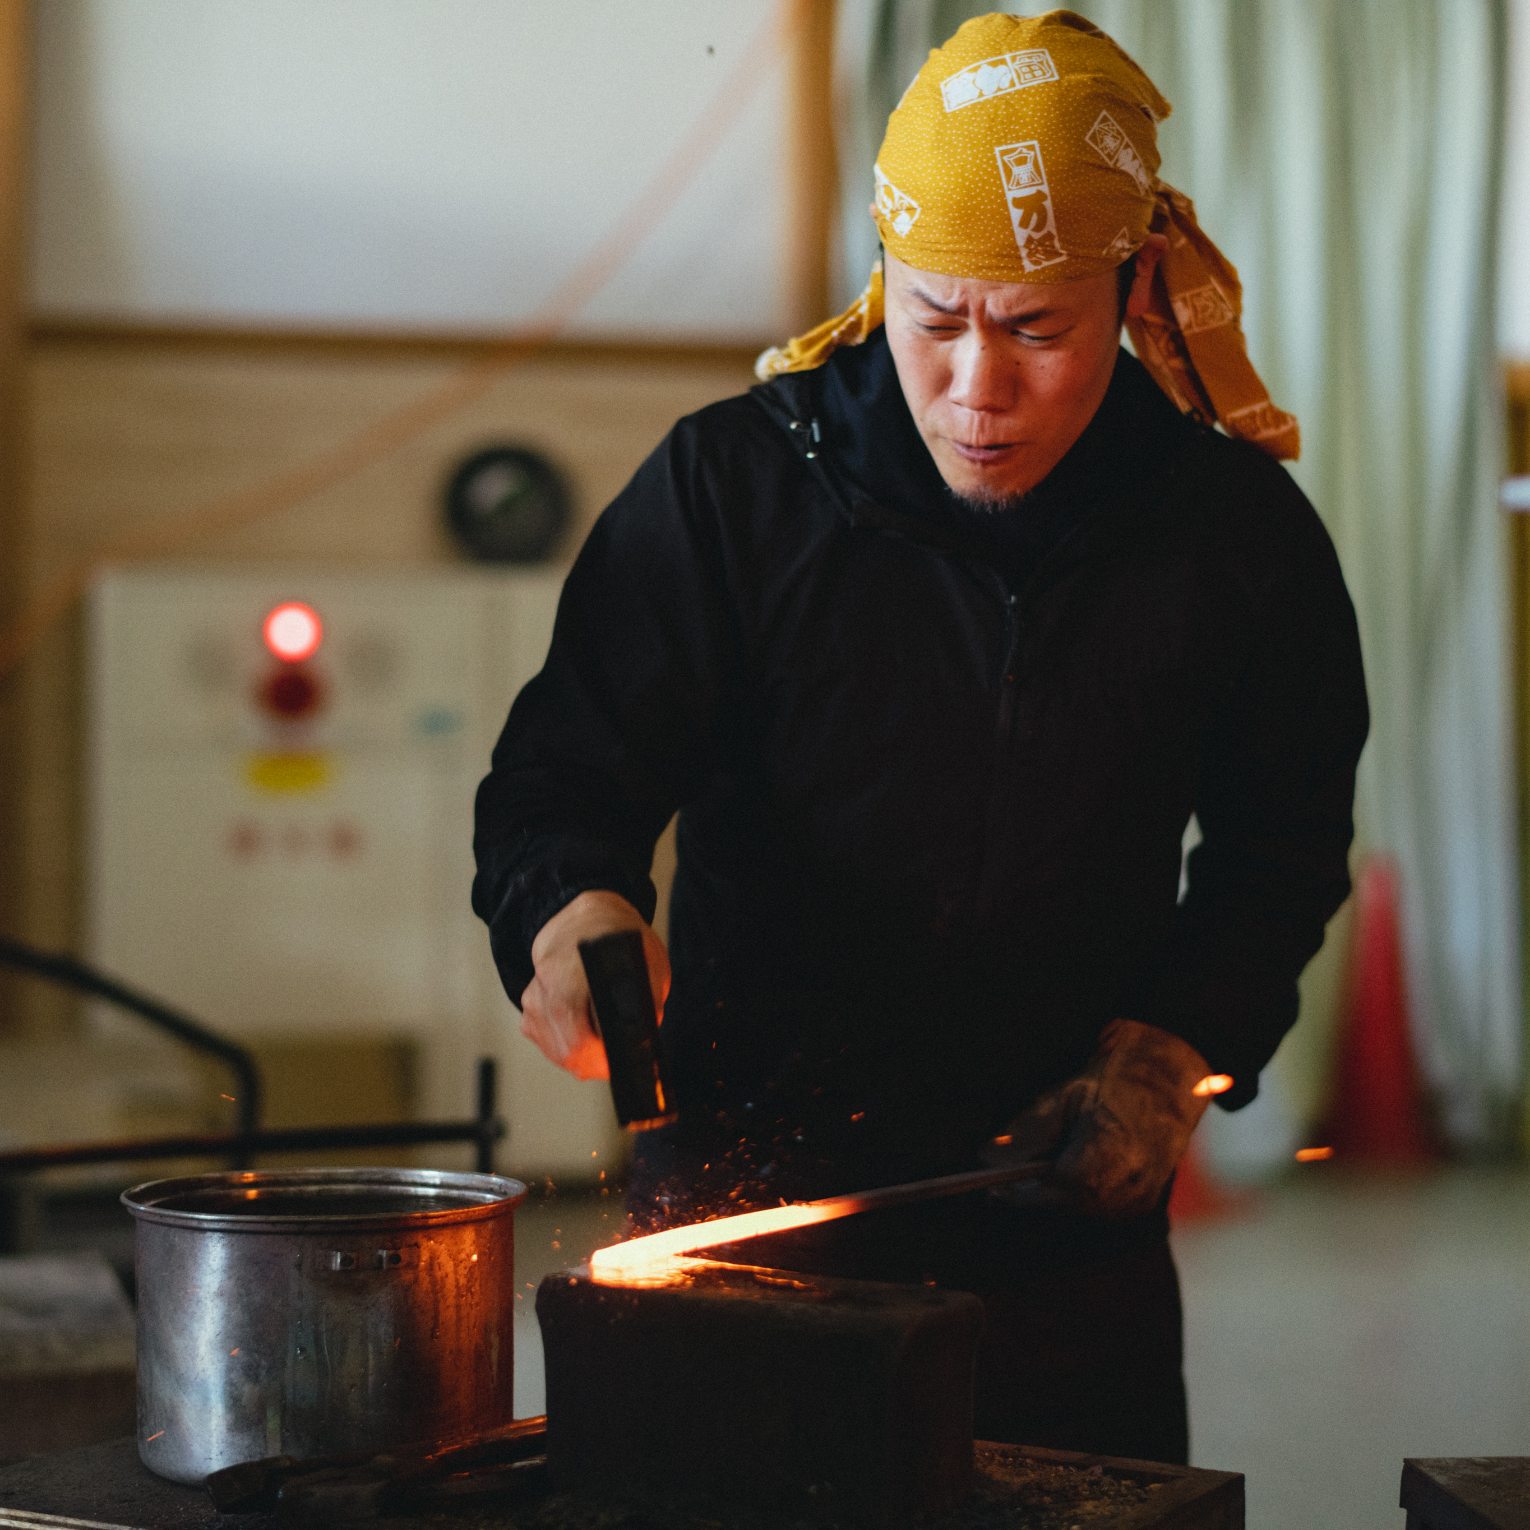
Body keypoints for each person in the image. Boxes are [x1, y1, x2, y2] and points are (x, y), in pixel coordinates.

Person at [474, 11, 1367, 1463]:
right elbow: (562, 769)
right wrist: (569, 903)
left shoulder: (1235, 541)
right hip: (744, 1205)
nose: (974, 388)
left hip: (1060, 1211)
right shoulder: (733, 489)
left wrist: (1170, 1053)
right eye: (932, 317)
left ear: (1132, 283)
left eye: (1033, 328)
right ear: (879, 274)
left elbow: (1281, 846)